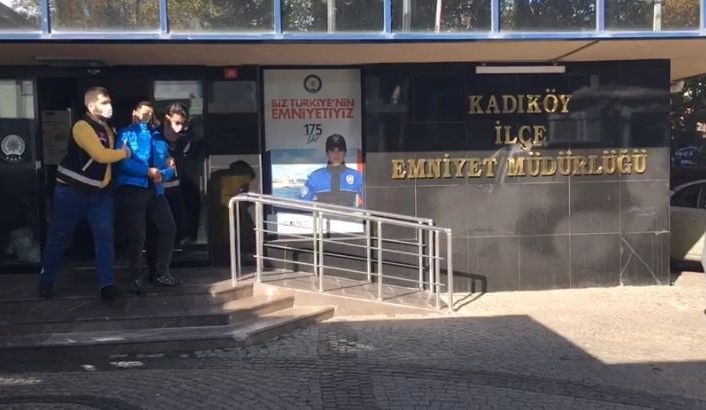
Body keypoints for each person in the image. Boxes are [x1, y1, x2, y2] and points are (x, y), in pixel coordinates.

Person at [39, 87, 131, 301]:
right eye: (104, 102)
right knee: (59, 235)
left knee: (105, 239)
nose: (109, 106)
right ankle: (46, 281)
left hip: (100, 193)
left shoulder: (108, 128)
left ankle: (107, 286)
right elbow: (100, 155)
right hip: (71, 190)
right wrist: (124, 153)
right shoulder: (82, 126)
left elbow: (106, 164)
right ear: (90, 106)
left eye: (109, 101)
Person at [115, 101, 179, 295]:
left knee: (168, 227)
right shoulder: (125, 134)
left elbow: (169, 164)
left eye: (150, 113)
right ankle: (136, 278)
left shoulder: (157, 136)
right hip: (133, 189)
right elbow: (122, 163)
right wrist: (147, 172)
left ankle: (161, 272)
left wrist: (163, 175)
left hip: (155, 189)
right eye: (143, 112)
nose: (146, 116)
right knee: (137, 235)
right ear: (134, 112)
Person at [299, 134, 363, 207]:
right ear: (327, 153)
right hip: (322, 214)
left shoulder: (357, 176)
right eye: (332, 150)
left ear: (345, 153)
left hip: (348, 215)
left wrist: (359, 210)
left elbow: (370, 202)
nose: (336, 154)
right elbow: (302, 204)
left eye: (340, 150)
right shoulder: (315, 177)